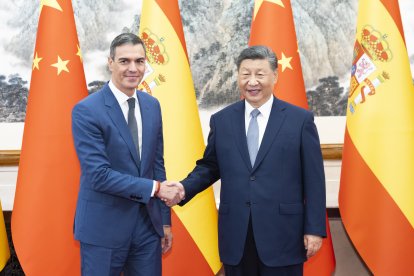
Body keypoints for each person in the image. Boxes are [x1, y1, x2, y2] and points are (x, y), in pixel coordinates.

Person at [167, 46, 326, 276]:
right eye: (245, 74)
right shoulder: (222, 120)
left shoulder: (299, 120)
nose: (252, 82)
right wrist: (183, 188)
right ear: (238, 76)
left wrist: (314, 229)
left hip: (283, 235)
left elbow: (314, 179)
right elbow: (211, 166)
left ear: (275, 75)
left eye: (260, 74)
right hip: (237, 236)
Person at [71, 33, 183, 276]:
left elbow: (157, 165)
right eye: (124, 61)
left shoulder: (152, 106)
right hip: (103, 228)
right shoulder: (87, 111)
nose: (133, 68)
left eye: (139, 61)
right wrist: (155, 188)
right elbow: (99, 175)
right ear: (110, 63)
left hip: (147, 228)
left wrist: (164, 221)